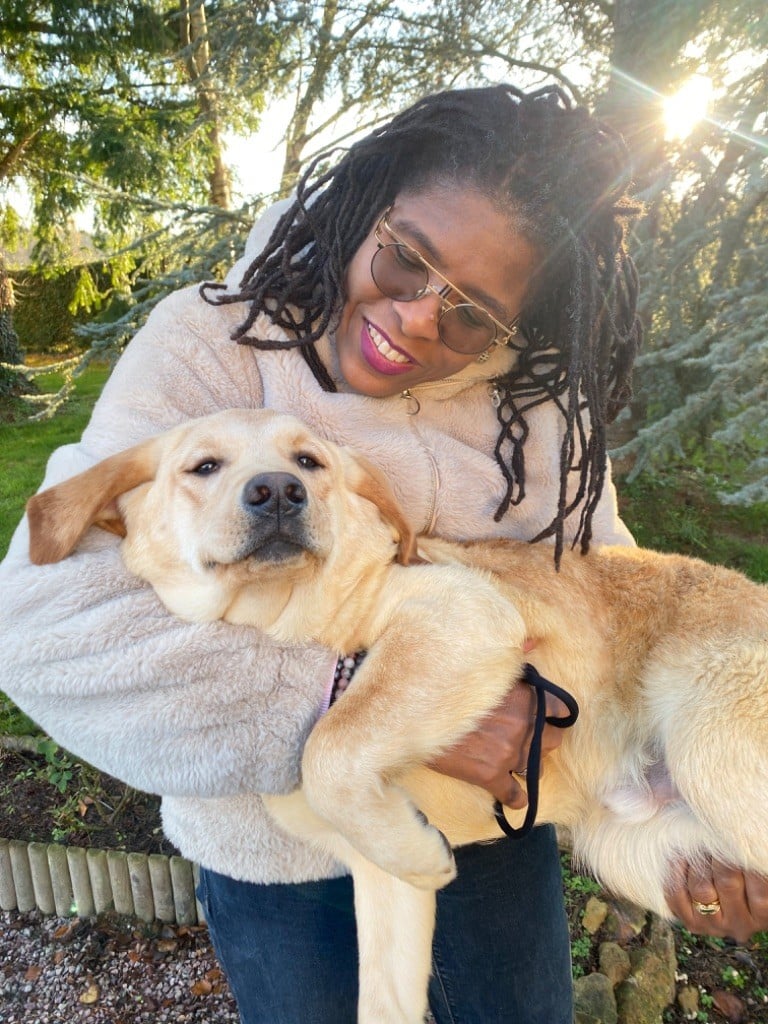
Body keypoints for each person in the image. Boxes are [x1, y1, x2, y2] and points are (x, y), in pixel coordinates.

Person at [1, 83, 766, 1024]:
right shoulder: (211, 341)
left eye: (472, 314)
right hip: (277, 861)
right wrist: (354, 704)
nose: (415, 319)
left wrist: (692, 839)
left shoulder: (544, 403)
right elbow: (47, 625)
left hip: (495, 844)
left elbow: (613, 593)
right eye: (406, 260)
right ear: (367, 206)